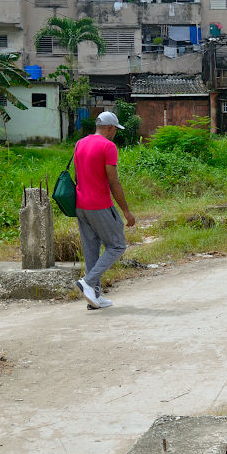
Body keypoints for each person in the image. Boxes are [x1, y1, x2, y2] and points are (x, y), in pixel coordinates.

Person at [73, 111, 135, 308]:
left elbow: (77, 174)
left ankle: (95, 298)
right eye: (115, 129)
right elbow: (113, 181)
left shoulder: (80, 143)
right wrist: (126, 211)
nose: (115, 132)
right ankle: (88, 282)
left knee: (91, 250)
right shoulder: (108, 146)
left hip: (81, 205)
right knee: (117, 245)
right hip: (99, 204)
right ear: (109, 128)